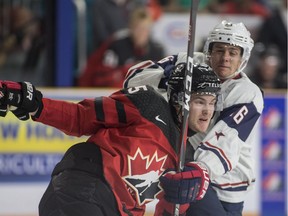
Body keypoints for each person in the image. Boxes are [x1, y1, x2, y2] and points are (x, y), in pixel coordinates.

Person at [0, 63, 221, 216]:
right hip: (84, 190)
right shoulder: (148, 104)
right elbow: (81, 117)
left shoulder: (185, 155)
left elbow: (167, 210)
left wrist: (181, 197)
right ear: (177, 98)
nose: (207, 111)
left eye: (212, 103)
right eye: (199, 101)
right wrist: (37, 106)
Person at [124, 20, 264, 215]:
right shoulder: (188, 62)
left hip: (228, 181)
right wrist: (172, 78)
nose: (225, 58)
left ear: (243, 57)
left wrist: (201, 171)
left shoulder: (248, 93)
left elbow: (224, 139)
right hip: (192, 172)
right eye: (219, 50)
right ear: (209, 50)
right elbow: (133, 79)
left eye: (232, 53)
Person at [77, 7, 165, 88]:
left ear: (150, 30)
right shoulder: (117, 46)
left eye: (145, 29)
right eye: (138, 28)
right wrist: (125, 72)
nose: (141, 33)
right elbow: (101, 78)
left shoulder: (157, 51)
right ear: (131, 28)